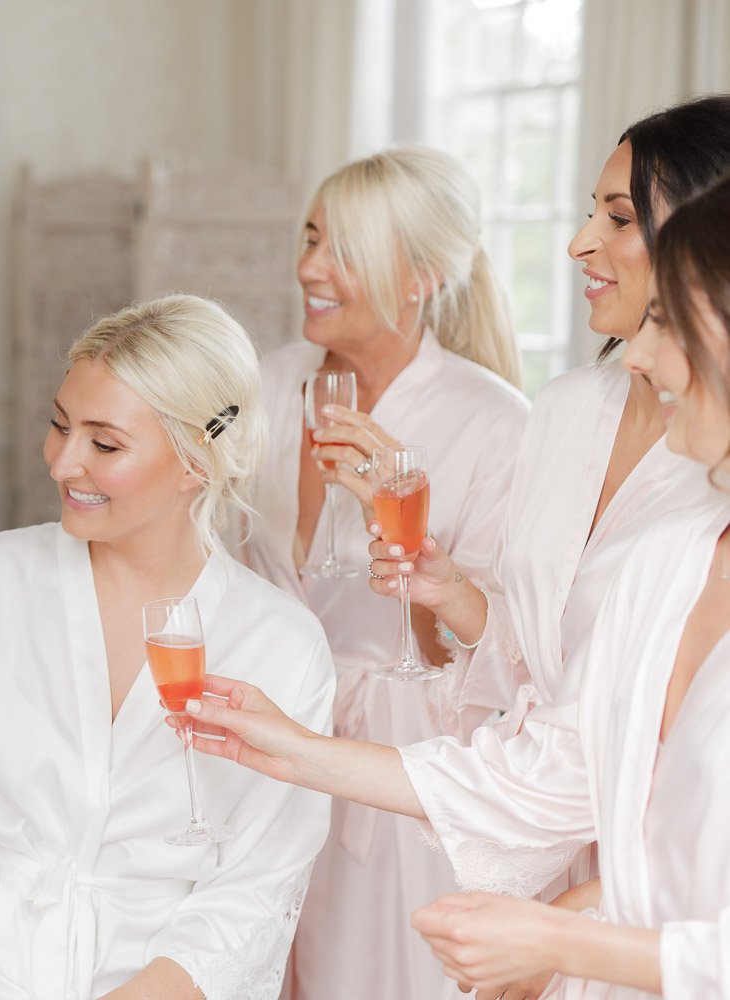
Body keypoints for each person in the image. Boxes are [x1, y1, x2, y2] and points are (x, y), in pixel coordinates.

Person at [178, 174, 730, 1000]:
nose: (640, 360)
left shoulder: (496, 419)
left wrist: (565, 937)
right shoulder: (671, 560)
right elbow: (560, 772)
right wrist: (287, 745)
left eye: (666, 322)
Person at [0, 295, 336, 999]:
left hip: (153, 978)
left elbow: (253, 896)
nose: (62, 463)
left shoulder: (281, 644)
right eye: (59, 426)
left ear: (196, 460)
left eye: (104, 445)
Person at [357, 96, 730, 999]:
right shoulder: (563, 411)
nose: (578, 243)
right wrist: (452, 593)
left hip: (664, 878)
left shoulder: (706, 475)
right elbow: (533, 667)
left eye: (619, 218)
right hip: (531, 847)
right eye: (588, 212)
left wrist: (572, 931)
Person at [237, 146, 529, 999]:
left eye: (344, 250)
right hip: (259, 740)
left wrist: (395, 525)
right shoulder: (266, 386)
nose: (309, 268)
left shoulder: (495, 423)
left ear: (420, 279)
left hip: (395, 765)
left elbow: (491, 666)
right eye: (310, 238)